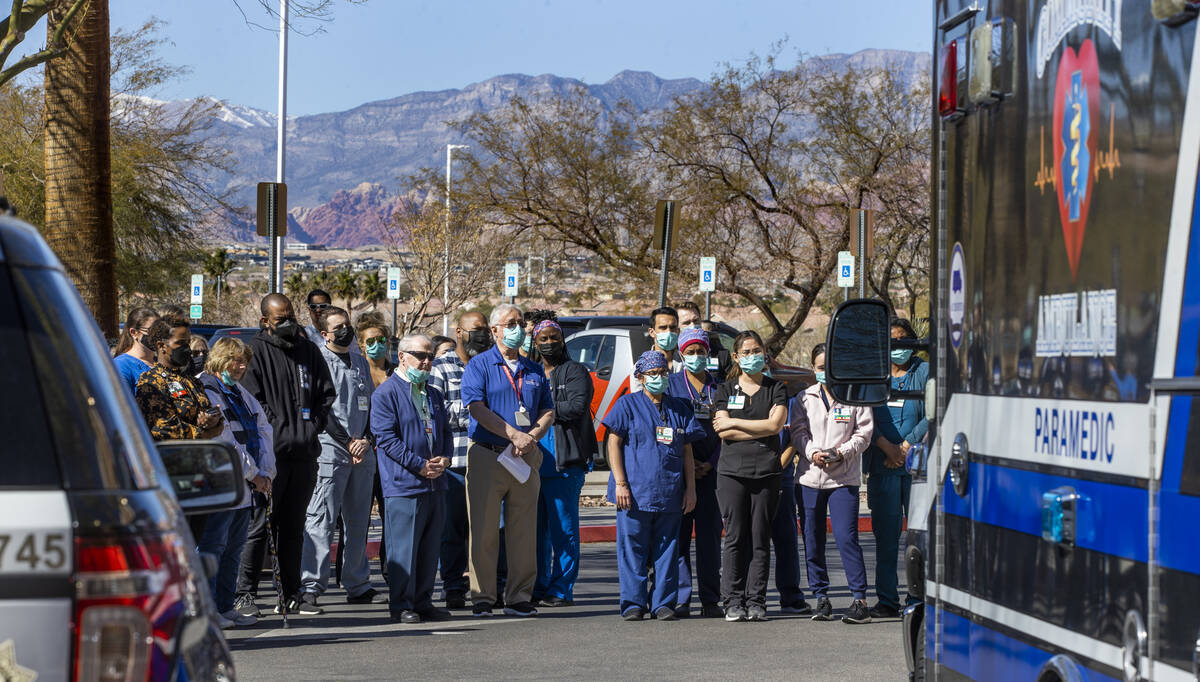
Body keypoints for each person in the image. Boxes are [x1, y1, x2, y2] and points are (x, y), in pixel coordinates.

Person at [237, 293, 336, 615]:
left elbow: (325, 393)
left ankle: (291, 593)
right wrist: (277, 426)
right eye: (281, 319)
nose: (289, 323)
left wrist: (312, 425)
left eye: (292, 316)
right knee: (259, 526)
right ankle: (245, 593)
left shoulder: (308, 350)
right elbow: (252, 401)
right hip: (270, 457)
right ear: (266, 321)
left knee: (293, 527)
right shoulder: (255, 353)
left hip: (304, 453)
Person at [460, 303, 555, 618]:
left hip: (525, 456)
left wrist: (532, 437)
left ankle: (518, 596)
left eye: (520, 323)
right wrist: (513, 434)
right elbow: (475, 407)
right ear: (495, 330)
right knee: (485, 530)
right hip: (489, 454)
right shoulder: (480, 365)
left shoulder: (532, 369)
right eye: (511, 323)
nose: (518, 329)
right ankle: (483, 596)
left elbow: (547, 410)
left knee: (523, 530)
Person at [604, 350, 700, 621]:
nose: (659, 378)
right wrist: (620, 483)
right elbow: (613, 442)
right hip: (634, 492)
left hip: (669, 491)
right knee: (633, 549)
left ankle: (663, 603)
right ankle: (633, 603)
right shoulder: (626, 405)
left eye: (663, 373)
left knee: (667, 550)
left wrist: (690, 488)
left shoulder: (680, 408)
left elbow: (687, 452)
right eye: (653, 374)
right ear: (640, 378)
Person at [298, 306, 380, 614]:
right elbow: (323, 408)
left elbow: (371, 403)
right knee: (322, 519)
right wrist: (347, 441)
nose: (345, 330)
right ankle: (311, 586)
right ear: (324, 334)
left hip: (363, 449)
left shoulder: (360, 361)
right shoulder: (318, 362)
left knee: (359, 521)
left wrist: (366, 439)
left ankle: (357, 583)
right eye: (338, 327)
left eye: (347, 324)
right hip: (332, 448)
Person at [372, 334, 454, 623]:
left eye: (430, 356)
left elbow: (445, 432)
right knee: (404, 549)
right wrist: (419, 465)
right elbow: (386, 439)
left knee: (429, 549)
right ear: (403, 356)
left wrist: (444, 457)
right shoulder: (386, 393)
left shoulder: (433, 393)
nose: (426, 361)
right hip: (404, 485)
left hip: (435, 483)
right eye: (420, 355)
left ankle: (423, 601)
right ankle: (401, 604)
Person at [710, 330, 789, 622]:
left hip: (767, 472)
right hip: (731, 473)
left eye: (758, 351)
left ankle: (756, 601)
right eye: (747, 352)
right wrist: (757, 424)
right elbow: (722, 430)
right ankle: (732, 601)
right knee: (734, 537)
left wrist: (736, 422)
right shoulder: (725, 390)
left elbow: (775, 426)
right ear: (736, 357)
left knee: (759, 538)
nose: (753, 356)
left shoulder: (776, 388)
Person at [197, 338, 275, 629]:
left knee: (234, 548)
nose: (241, 367)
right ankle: (208, 609)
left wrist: (266, 472)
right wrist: (252, 473)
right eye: (235, 361)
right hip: (221, 484)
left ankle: (226, 606)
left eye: (244, 361)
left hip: (246, 487)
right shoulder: (207, 389)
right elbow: (224, 439)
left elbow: (262, 429)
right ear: (220, 358)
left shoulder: (241, 392)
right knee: (213, 547)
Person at [799, 343, 874, 624]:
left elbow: (863, 433)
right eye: (820, 368)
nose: (825, 373)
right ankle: (821, 597)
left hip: (843, 478)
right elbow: (798, 432)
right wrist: (812, 453)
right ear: (813, 370)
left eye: (829, 367)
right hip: (810, 478)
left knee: (846, 538)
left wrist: (841, 453)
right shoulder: (803, 398)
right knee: (812, 538)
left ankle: (859, 600)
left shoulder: (856, 397)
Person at [865, 319, 927, 619]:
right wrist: (886, 447)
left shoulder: (925, 372)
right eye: (893, 341)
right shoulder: (874, 375)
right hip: (883, 465)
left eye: (903, 340)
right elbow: (864, 416)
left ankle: (919, 598)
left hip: (916, 466)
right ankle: (887, 601)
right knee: (886, 538)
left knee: (921, 538)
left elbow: (934, 411)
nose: (898, 347)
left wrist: (906, 446)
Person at [428, 310, 490, 609]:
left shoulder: (490, 365)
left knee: (486, 529)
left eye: (486, 328)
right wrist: (477, 409)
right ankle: (453, 585)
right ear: (459, 332)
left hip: (488, 458)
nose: (482, 334)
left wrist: (480, 410)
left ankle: (486, 586)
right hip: (454, 462)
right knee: (452, 529)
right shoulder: (441, 367)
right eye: (476, 329)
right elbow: (436, 412)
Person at [531, 319, 594, 607]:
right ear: (535, 342)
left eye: (554, 337)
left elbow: (576, 408)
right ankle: (539, 584)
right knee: (536, 532)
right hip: (532, 464)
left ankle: (561, 588)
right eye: (543, 338)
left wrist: (542, 411)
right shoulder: (531, 372)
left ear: (562, 340)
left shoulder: (575, 372)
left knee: (564, 530)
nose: (549, 342)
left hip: (565, 463)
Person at [666, 328, 724, 619]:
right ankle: (680, 598)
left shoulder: (720, 387)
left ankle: (711, 598)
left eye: (701, 351)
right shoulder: (671, 386)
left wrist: (711, 463)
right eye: (690, 352)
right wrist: (687, 465)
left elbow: (727, 432)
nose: (696, 356)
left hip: (713, 472)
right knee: (678, 538)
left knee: (710, 539)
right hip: (680, 472)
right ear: (681, 354)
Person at [135, 315, 224, 442]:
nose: (187, 348)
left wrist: (212, 420)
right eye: (180, 343)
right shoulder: (151, 381)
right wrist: (204, 433)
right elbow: (162, 428)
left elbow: (210, 414)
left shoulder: (192, 381)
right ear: (162, 346)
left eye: (188, 342)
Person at [357, 310, 396, 578]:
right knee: (357, 517)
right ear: (361, 344)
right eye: (370, 341)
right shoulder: (355, 372)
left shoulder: (397, 373)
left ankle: (390, 570)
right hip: (361, 453)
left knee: (390, 515)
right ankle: (354, 577)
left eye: (381, 339)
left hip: (392, 455)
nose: (376, 345)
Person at [771, 393, 812, 615]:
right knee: (749, 541)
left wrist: (776, 468)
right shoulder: (741, 394)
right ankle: (750, 597)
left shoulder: (790, 402)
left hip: (781, 477)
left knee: (786, 539)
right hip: (749, 476)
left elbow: (795, 437)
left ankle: (791, 596)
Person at [112, 307, 158, 396]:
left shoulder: (160, 363)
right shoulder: (121, 365)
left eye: (160, 330)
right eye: (152, 330)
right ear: (133, 332)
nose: (157, 335)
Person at [648, 306, 680, 372]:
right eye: (663, 327)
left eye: (672, 327)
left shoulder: (687, 363)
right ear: (652, 332)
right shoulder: (643, 365)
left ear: (678, 331)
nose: (668, 332)